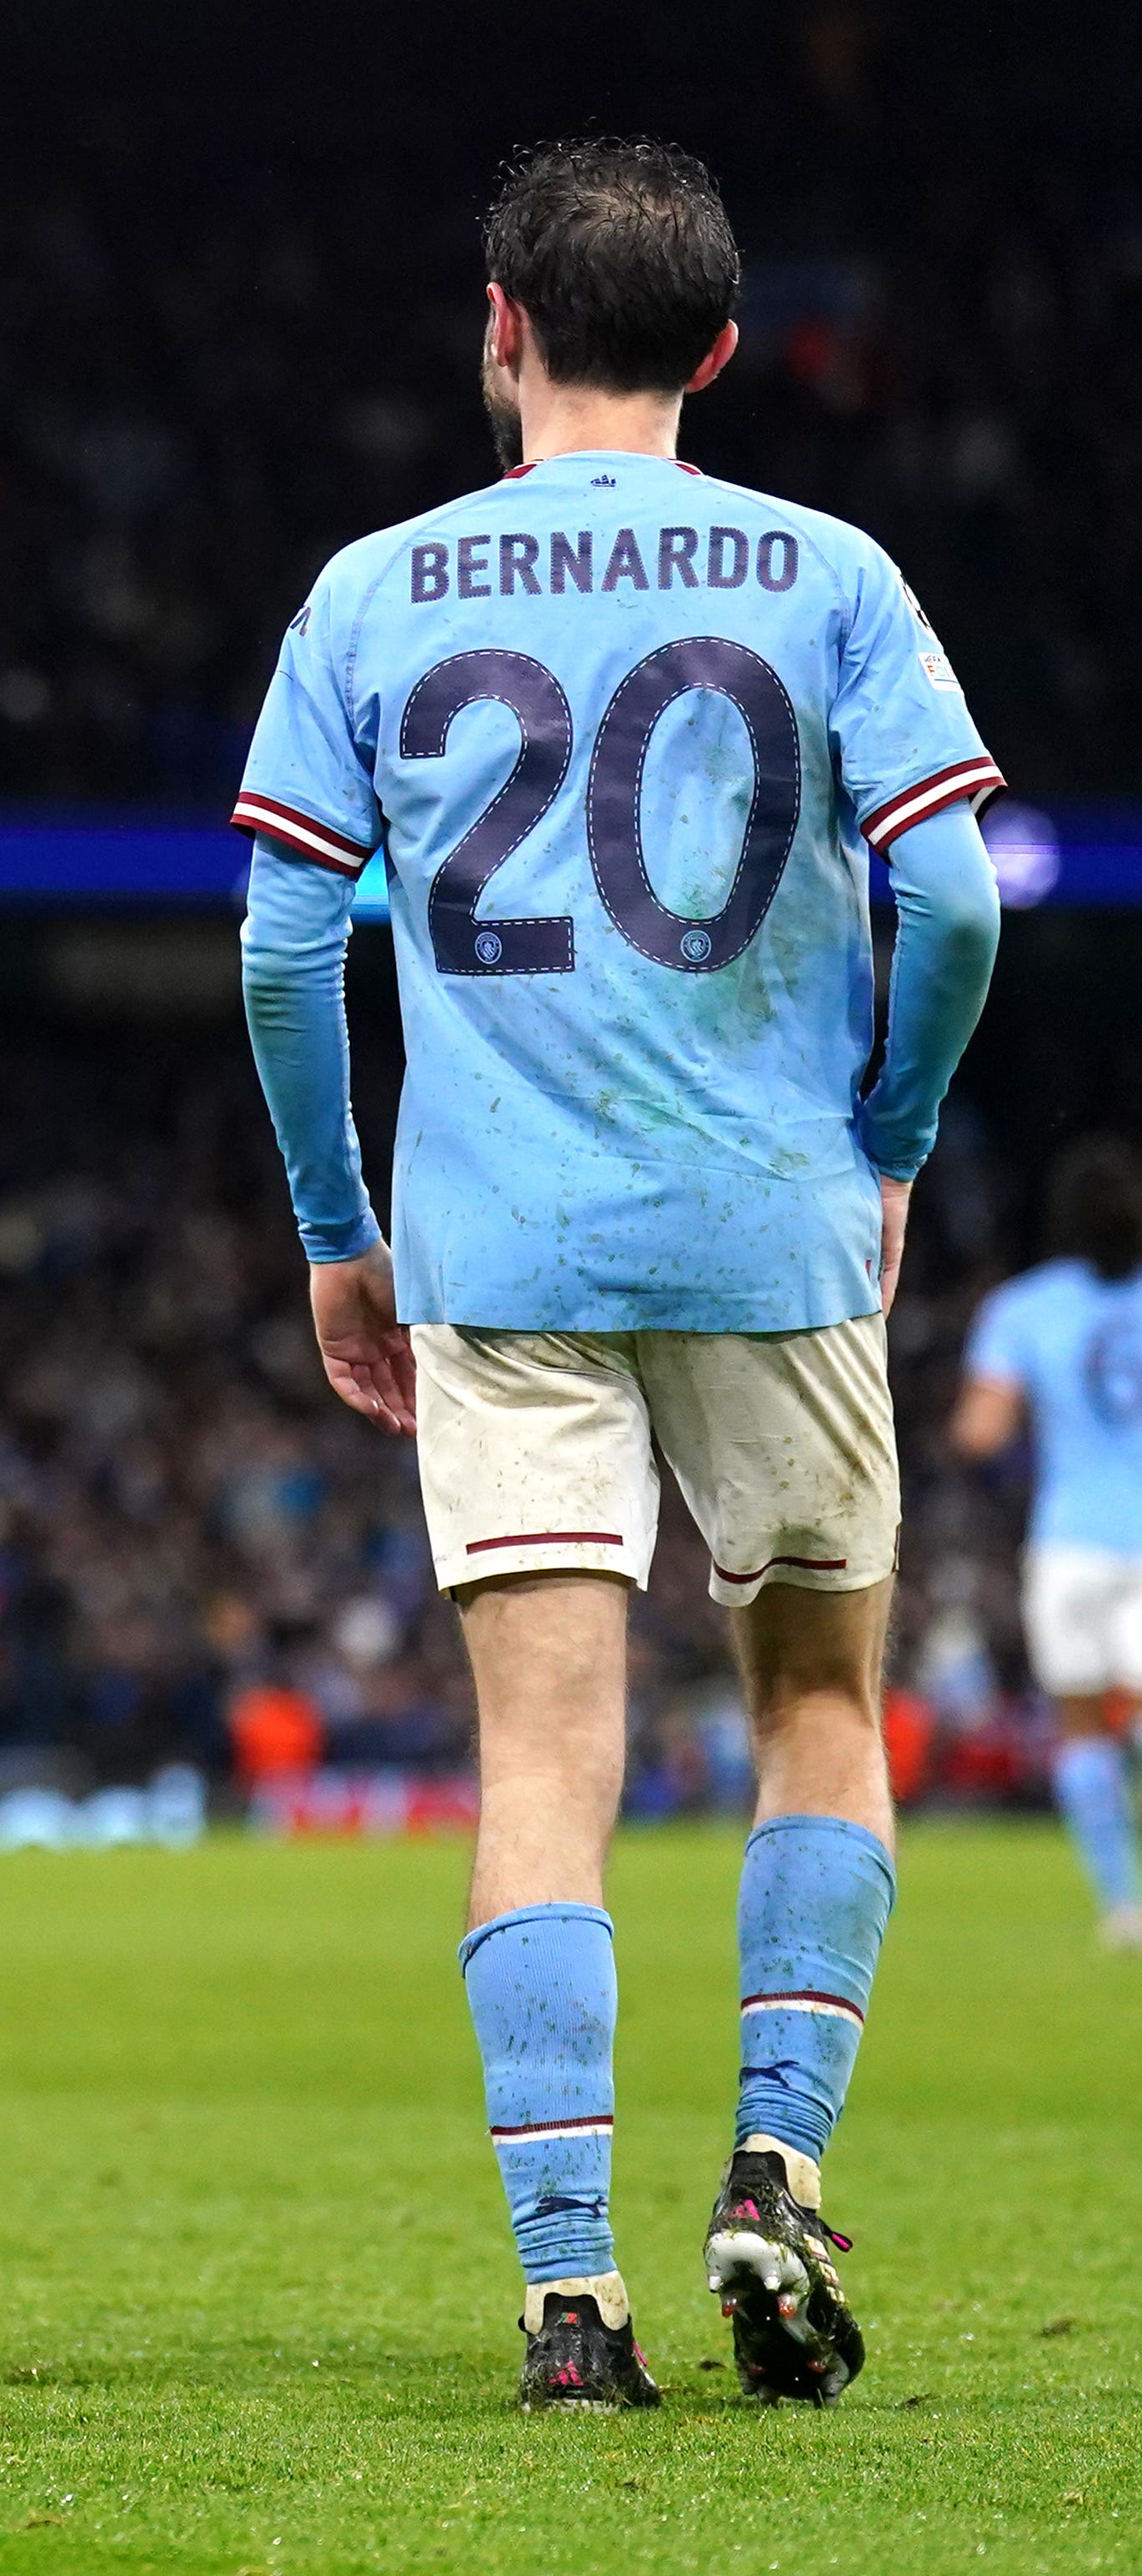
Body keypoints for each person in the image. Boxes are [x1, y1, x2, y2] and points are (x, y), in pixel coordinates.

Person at [235, 138, 1002, 2412]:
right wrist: (888, 1144)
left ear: (498, 324)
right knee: (817, 1714)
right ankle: (771, 2168)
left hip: (502, 1246)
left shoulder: (373, 590)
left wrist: (332, 1236)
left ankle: (572, 2301)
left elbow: (289, 945)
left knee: (543, 1766)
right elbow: (954, 905)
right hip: (772, 1232)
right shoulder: (833, 572)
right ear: (725, 350)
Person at [952, 1137, 1142, 1949]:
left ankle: (1121, 1905)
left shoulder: (1023, 1309)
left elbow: (981, 1431)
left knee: (1081, 1727)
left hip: (1068, 1543)